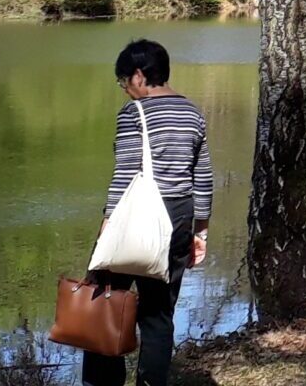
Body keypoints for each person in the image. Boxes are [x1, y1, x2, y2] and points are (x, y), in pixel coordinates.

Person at [87, 39, 213, 386]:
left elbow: (125, 177)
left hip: (134, 217)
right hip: (178, 219)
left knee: (105, 303)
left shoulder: (133, 114)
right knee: (158, 315)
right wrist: (200, 232)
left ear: (140, 76)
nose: (125, 89)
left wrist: (105, 232)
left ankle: (102, 382)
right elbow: (202, 177)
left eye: (123, 81)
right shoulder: (193, 112)